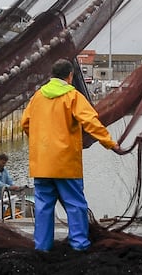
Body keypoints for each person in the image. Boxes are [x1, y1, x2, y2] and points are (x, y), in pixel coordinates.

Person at [20, 59, 118, 251]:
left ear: (52, 75)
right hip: (66, 163)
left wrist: (41, 142)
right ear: (70, 76)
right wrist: (109, 142)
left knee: (43, 207)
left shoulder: (38, 97)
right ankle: (79, 246)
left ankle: (42, 248)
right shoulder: (73, 96)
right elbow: (91, 122)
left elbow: (25, 123)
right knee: (75, 205)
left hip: (42, 164)